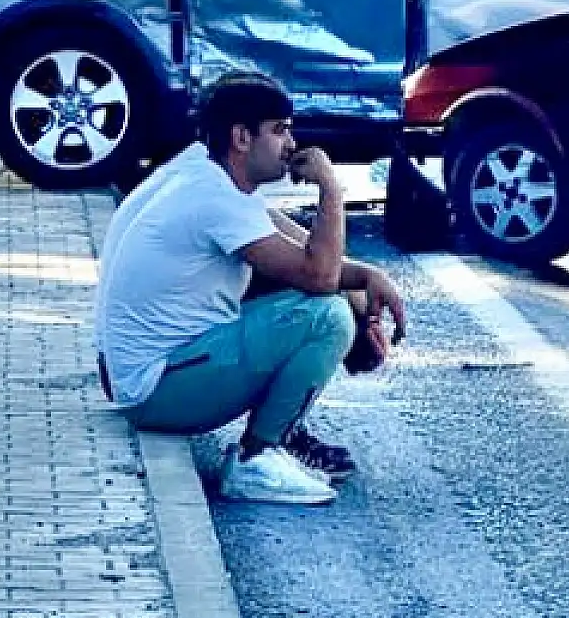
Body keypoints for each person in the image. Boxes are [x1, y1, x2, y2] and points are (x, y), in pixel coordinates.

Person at [94, 74, 408, 506]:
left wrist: (369, 278)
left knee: (323, 296)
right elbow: (317, 275)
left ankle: (279, 430)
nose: (291, 144)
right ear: (242, 137)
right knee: (327, 316)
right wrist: (330, 189)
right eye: (279, 130)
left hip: (139, 376)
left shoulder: (199, 171)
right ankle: (256, 457)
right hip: (156, 392)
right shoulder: (216, 199)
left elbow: (305, 252)